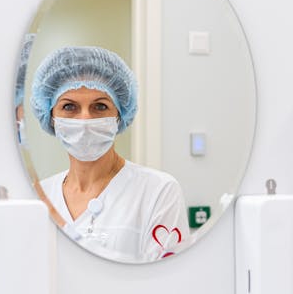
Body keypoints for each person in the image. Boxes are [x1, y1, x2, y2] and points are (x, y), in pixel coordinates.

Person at [30, 46, 189, 263]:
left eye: (100, 107)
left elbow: (167, 280)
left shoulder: (158, 191)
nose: (85, 120)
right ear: (50, 117)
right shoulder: (39, 197)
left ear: (119, 114)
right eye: (69, 106)